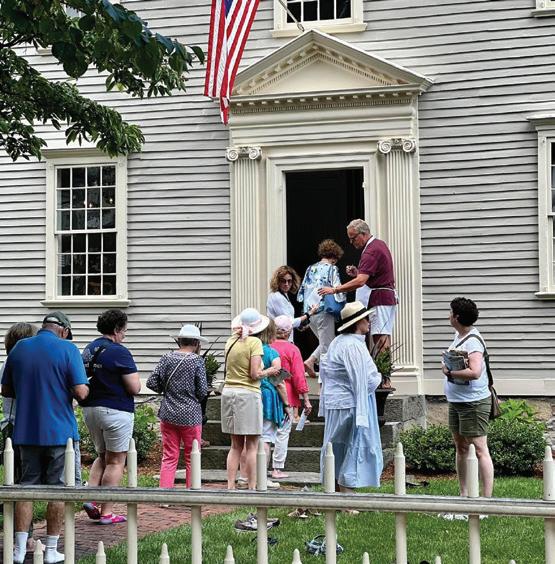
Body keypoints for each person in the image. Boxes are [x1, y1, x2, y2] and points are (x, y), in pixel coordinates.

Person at [1, 311, 89, 564]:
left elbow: (6, 390)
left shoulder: (19, 348)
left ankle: (19, 550)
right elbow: (81, 392)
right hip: (60, 432)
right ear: (64, 330)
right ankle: (51, 549)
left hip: (26, 431)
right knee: (57, 490)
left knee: (26, 489)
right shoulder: (68, 349)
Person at [80, 309, 141, 525]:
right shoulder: (119, 351)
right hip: (115, 410)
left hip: (90, 409)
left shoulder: (89, 349)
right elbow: (134, 387)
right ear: (116, 329)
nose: (124, 334)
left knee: (101, 455)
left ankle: (91, 498)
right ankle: (106, 512)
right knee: (116, 461)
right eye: (123, 330)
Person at [319, 301, 383, 496]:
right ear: (357, 322)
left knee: (337, 445)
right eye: (366, 319)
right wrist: (376, 379)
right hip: (351, 402)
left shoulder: (340, 342)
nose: (369, 322)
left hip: (341, 401)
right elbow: (360, 378)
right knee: (351, 444)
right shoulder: (352, 346)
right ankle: (346, 489)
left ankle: (336, 487)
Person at [442, 297, 494, 506]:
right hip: (456, 400)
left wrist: (450, 372)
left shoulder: (473, 341)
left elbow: (475, 372)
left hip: (473, 402)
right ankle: (463, 495)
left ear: (456, 317)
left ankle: (487, 500)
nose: (448, 316)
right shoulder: (459, 335)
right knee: (461, 446)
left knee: (480, 449)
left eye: (450, 312)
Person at [319, 219, 396, 356]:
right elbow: (372, 275)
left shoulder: (371, 251)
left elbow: (360, 281)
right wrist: (358, 272)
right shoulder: (379, 244)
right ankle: (384, 369)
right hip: (385, 297)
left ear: (363, 234)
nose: (351, 242)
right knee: (382, 336)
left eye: (353, 238)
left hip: (379, 299)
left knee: (380, 338)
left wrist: (335, 289)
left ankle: (384, 370)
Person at [147, 324, 208, 489]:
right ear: (196, 342)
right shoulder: (197, 361)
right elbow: (202, 391)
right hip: (190, 415)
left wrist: (166, 390)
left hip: (168, 413)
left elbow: (151, 382)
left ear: (179, 341)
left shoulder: (166, 358)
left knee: (169, 456)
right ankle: (191, 492)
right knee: (192, 456)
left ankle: (165, 494)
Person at [221, 308, 267, 490]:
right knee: (252, 445)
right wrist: (270, 371)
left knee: (235, 445)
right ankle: (252, 485)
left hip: (229, 393)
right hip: (248, 394)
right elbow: (254, 374)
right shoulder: (255, 342)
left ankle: (230, 485)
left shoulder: (230, 341)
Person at [270, 315, 312, 479]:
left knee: (265, 432)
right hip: (286, 395)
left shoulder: (266, 347)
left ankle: (260, 467)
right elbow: (299, 376)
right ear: (288, 332)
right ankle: (277, 468)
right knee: (283, 432)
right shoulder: (292, 349)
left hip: (268, 393)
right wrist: (306, 399)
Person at [298, 239, 346, 377]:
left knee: (327, 341)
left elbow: (302, 293)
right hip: (325, 310)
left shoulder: (310, 268)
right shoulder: (332, 269)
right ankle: (325, 379)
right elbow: (338, 289)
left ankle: (311, 360)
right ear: (334, 257)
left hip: (310, 312)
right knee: (327, 346)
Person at [258, 319, 290, 489]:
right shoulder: (272, 353)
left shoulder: (250, 350)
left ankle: (246, 476)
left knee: (250, 439)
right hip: (268, 397)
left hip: (251, 395)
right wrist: (287, 404)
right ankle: (262, 477)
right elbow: (279, 382)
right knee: (266, 437)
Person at [266, 265, 317, 341]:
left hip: (284, 338)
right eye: (283, 281)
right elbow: (288, 322)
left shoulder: (283, 295)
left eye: (289, 281)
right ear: (278, 281)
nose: (286, 284)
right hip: (280, 339)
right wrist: (309, 314)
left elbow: (289, 321)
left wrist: (300, 325)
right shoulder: (277, 297)